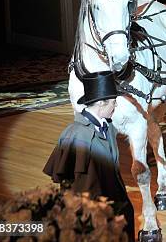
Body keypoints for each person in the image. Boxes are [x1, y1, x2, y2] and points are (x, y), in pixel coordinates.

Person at [43, 71, 135, 241]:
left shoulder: (108, 128)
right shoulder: (77, 136)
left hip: (113, 205)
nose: (115, 106)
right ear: (101, 103)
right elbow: (78, 186)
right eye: (113, 102)